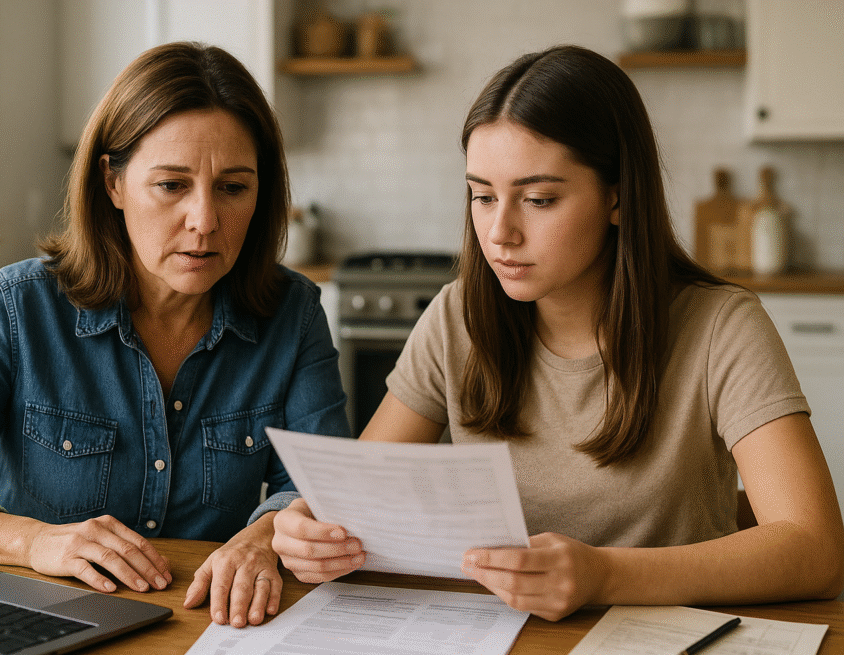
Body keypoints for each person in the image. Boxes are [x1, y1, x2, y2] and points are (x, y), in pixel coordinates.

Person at [271, 45, 844, 621]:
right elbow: (360, 506)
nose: (500, 233)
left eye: (539, 199)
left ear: (617, 196)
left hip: (669, 648)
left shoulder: (722, 328)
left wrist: (604, 575)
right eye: (483, 196)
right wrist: (310, 531)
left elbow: (817, 551)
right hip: (495, 645)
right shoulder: (458, 317)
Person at [0, 42, 348, 628]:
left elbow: (317, 491)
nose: (205, 220)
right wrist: (33, 542)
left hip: (213, 630)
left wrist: (266, 534)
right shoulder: (13, 309)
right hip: (41, 626)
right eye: (171, 185)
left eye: (234, 188)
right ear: (113, 183)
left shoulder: (294, 313)